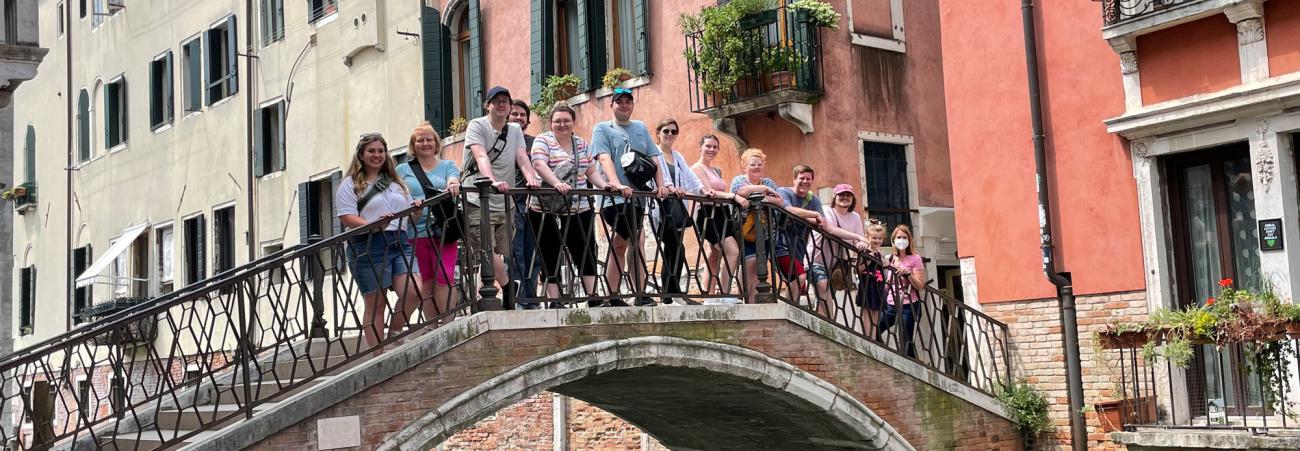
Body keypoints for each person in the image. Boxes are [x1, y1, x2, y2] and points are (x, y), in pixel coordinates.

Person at [335, 133, 423, 351]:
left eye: (380, 151)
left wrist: (417, 210)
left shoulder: (396, 183)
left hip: (399, 240)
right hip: (367, 243)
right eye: (371, 151)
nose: (377, 155)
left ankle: (395, 332)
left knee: (414, 290)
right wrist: (372, 224)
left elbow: (410, 217)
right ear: (362, 155)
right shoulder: (350, 184)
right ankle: (379, 354)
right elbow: (346, 216)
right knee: (376, 302)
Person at [592, 87, 669, 307]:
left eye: (628, 101)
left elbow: (654, 158)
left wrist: (662, 186)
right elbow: (604, 158)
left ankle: (622, 295)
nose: (624, 105)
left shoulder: (640, 128)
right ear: (612, 105)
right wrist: (615, 183)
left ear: (632, 105)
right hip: (614, 199)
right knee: (634, 240)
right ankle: (633, 294)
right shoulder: (602, 129)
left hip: (636, 198)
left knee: (624, 243)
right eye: (619, 102)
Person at [462, 86, 541, 300]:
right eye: (496, 100)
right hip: (478, 198)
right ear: (487, 105)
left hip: (505, 201)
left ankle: (482, 298)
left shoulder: (514, 131)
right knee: (485, 247)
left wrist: (532, 178)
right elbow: (481, 156)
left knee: (495, 252)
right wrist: (492, 181)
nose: (501, 104)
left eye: (505, 100)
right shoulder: (477, 126)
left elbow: (521, 157)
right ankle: (508, 287)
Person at [528, 103, 610, 307]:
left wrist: (604, 185)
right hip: (545, 206)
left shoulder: (581, 143)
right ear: (551, 123)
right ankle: (554, 300)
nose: (562, 124)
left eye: (566, 120)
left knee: (585, 247)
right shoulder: (543, 140)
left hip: (578, 205)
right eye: (557, 121)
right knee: (550, 250)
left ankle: (593, 297)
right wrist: (557, 184)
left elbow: (590, 170)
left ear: (573, 122)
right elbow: (539, 164)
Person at [396, 122, 461, 327]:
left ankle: (448, 323)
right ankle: (432, 325)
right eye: (420, 140)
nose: (425, 143)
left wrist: (452, 183)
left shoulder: (447, 165)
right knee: (426, 280)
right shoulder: (402, 170)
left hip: (444, 229)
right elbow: (395, 194)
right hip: (415, 230)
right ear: (413, 145)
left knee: (445, 274)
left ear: (436, 143)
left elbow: (453, 177)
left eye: (429, 139)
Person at [775, 166, 868, 307]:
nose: (805, 181)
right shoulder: (784, 192)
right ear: (794, 179)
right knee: (805, 280)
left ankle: (824, 323)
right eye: (801, 178)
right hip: (793, 249)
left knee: (824, 294)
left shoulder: (814, 201)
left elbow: (825, 226)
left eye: (808, 179)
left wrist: (860, 241)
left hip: (816, 256)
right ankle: (790, 309)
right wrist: (815, 215)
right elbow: (789, 211)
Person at [652, 118, 708, 304]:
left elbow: (690, 176)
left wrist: (702, 190)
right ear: (658, 133)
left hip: (677, 209)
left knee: (673, 248)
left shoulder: (678, 156)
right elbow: (659, 175)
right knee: (675, 248)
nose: (670, 135)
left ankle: (670, 293)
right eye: (666, 131)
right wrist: (669, 187)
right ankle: (671, 293)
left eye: (673, 132)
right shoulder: (654, 153)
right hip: (662, 208)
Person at [692, 135, 746, 305]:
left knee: (714, 254)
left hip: (722, 214)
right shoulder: (696, 168)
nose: (711, 150)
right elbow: (709, 192)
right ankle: (724, 294)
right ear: (700, 147)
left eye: (715, 147)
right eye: (708, 146)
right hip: (708, 215)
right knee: (733, 251)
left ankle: (709, 297)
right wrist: (733, 196)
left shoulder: (717, 171)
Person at [728, 148, 785, 303]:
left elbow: (780, 201)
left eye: (759, 164)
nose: (756, 167)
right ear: (745, 166)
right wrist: (765, 191)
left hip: (765, 232)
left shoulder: (769, 182)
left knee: (759, 268)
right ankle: (745, 298)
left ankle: (753, 302)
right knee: (749, 266)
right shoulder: (739, 180)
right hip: (744, 231)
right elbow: (741, 191)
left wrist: (762, 199)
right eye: (752, 164)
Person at [807, 184, 868, 306]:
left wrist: (860, 244)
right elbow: (831, 230)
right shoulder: (825, 210)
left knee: (826, 296)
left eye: (848, 195)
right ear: (834, 197)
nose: (845, 197)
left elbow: (859, 240)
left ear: (852, 199)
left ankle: (825, 322)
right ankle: (829, 323)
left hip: (836, 266)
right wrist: (857, 237)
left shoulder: (855, 217)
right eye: (841, 195)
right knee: (823, 287)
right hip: (817, 260)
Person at [508, 99, 541, 309]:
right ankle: (518, 298)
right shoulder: (502, 141)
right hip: (511, 203)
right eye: (515, 114)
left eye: (522, 115)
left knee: (533, 252)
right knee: (514, 252)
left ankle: (532, 298)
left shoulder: (534, 142)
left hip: (534, 204)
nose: (519, 118)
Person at [876, 224, 926, 358]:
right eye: (899, 237)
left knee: (906, 342)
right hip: (890, 304)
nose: (901, 240)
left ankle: (913, 369)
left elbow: (920, 285)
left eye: (904, 237)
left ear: (909, 240)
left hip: (909, 305)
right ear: (893, 240)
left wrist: (908, 274)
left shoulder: (915, 258)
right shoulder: (889, 258)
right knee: (874, 328)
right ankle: (883, 355)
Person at [856, 220, 888, 334]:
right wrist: (867, 263)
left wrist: (885, 263)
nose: (877, 241)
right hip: (867, 284)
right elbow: (857, 270)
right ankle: (868, 339)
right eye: (874, 238)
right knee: (867, 314)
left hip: (878, 285)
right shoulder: (865, 251)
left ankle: (873, 338)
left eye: (880, 238)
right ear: (867, 237)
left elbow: (883, 267)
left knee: (876, 316)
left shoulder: (880, 253)